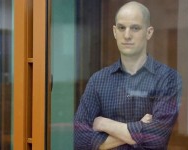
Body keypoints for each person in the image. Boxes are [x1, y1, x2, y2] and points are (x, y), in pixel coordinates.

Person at [74, 1, 182, 150]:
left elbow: (156, 141)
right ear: (114, 32)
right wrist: (140, 129)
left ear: (149, 32)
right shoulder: (97, 81)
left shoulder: (168, 78)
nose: (127, 35)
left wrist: (104, 124)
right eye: (121, 28)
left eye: (135, 28)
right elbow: (80, 142)